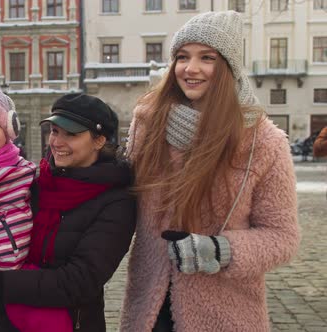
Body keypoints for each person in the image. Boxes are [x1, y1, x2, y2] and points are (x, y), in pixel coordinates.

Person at [118, 11, 299, 332]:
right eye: (182, 57)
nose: (191, 68)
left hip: (225, 312)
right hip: (149, 306)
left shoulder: (263, 140)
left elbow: (282, 236)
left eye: (207, 58)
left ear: (228, 67)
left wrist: (221, 250)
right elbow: (120, 197)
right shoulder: (148, 123)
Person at [0, 93, 137, 332]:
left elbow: (81, 280)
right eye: (55, 131)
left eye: (71, 134)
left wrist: (0, 284)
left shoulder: (117, 201)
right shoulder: (34, 181)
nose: (56, 142)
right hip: (7, 320)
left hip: (68, 323)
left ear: (99, 141)